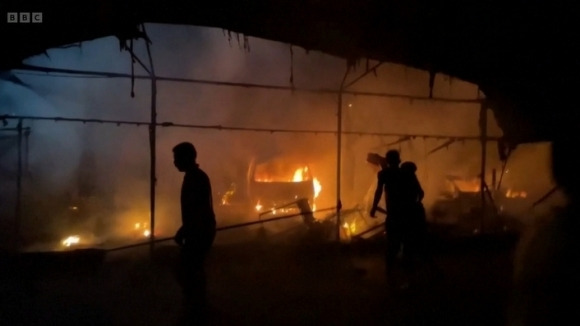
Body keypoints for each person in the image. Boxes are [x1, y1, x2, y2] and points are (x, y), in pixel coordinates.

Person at [172, 141, 217, 323]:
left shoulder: (196, 178)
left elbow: (198, 211)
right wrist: (184, 230)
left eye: (176, 158)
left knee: (189, 269)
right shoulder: (194, 176)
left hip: (200, 231)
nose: (174, 162)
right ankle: (197, 306)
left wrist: (185, 231)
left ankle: (196, 310)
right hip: (199, 230)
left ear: (186, 158)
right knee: (192, 269)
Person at [370, 150, 408, 283]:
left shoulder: (384, 174)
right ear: (398, 160)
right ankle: (403, 271)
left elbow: (379, 191)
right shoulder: (404, 173)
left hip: (393, 213)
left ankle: (390, 271)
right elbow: (416, 192)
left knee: (392, 243)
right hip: (405, 212)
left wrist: (374, 207)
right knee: (404, 241)